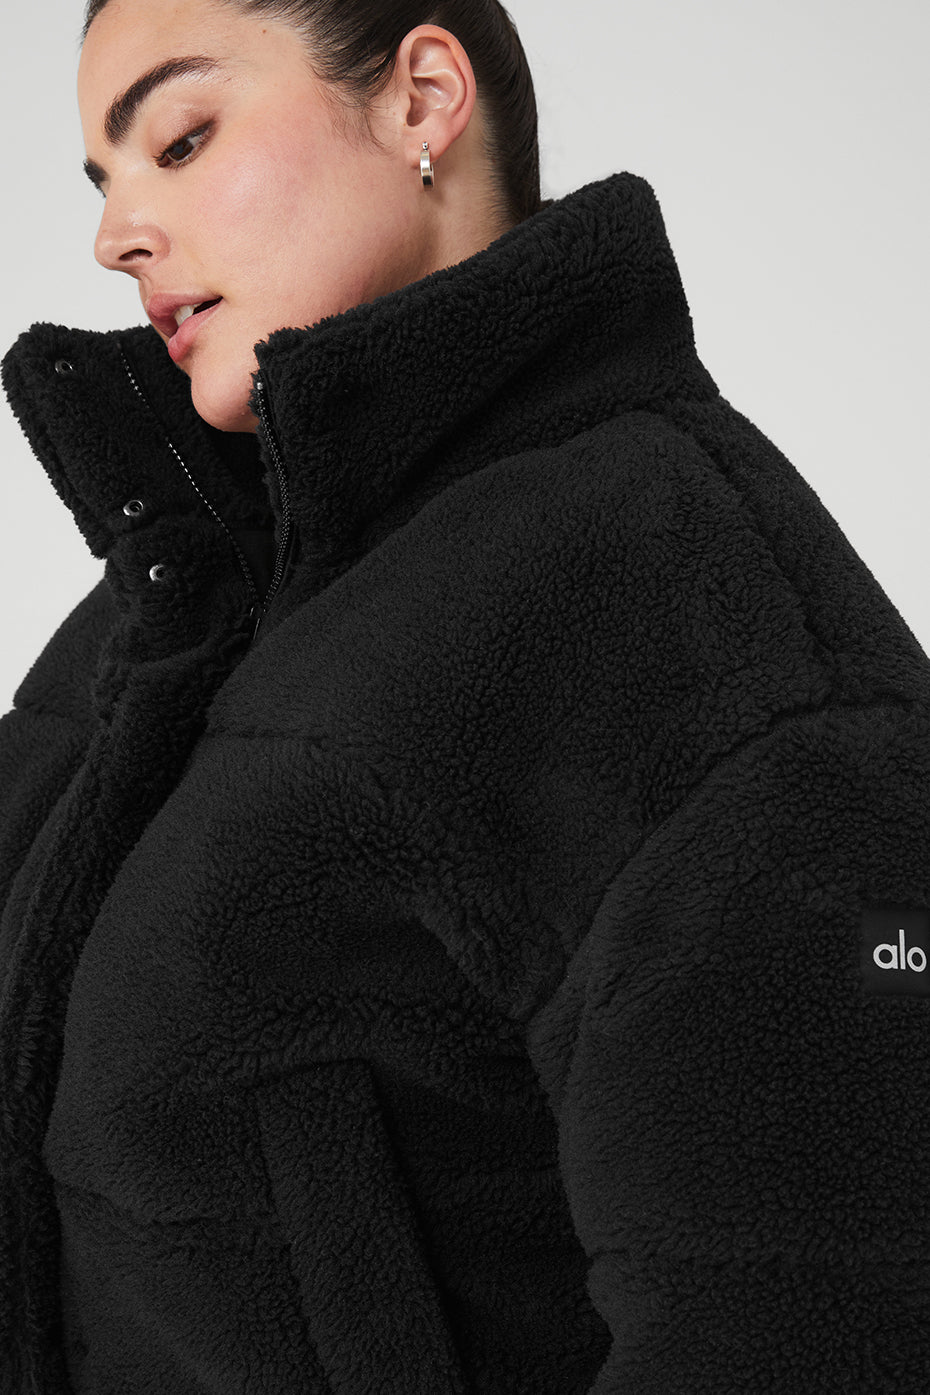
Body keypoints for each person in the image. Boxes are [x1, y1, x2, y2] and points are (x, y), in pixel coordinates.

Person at [2, 0, 929, 1390]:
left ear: (422, 99)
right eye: (102, 178)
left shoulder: (665, 582)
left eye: (181, 141)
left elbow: (823, 1304)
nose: (115, 234)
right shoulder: (168, 620)